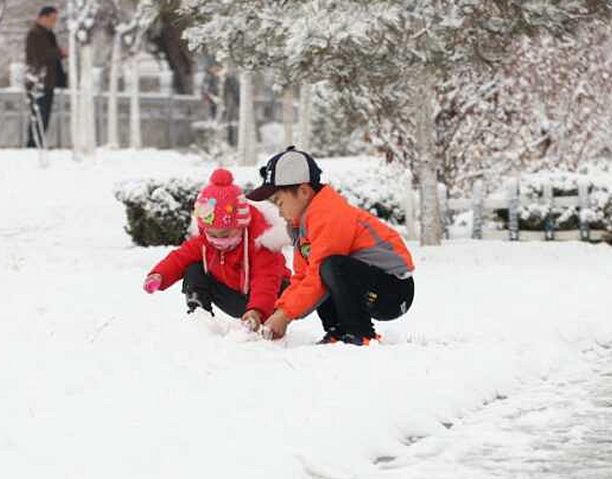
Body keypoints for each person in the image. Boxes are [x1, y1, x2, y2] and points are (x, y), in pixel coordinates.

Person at [246, 147, 416, 346]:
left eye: (279, 202)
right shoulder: (303, 226)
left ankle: (360, 333)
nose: (279, 212)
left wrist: (285, 316)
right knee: (322, 270)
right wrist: (279, 312)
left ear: (303, 191)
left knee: (328, 267)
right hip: (367, 284)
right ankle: (338, 331)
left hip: (394, 290)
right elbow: (302, 277)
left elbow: (318, 276)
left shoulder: (330, 216)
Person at [143, 168, 290, 329]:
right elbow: (179, 258)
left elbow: (266, 279)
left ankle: (266, 323)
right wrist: (159, 275)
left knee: (278, 287)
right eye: (212, 234)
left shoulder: (261, 241)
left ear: (241, 225)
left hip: (271, 299)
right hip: (233, 295)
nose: (218, 240)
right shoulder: (205, 242)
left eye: (225, 234)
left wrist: (257, 310)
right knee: (193, 269)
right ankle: (200, 318)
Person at [25, 6, 68, 148]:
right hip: (39, 81)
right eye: (52, 19)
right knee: (39, 115)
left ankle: (37, 143)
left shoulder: (47, 33)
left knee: (44, 115)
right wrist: (59, 52)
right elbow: (40, 55)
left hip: (47, 80)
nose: (54, 22)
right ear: (43, 17)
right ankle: (33, 144)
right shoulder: (35, 34)